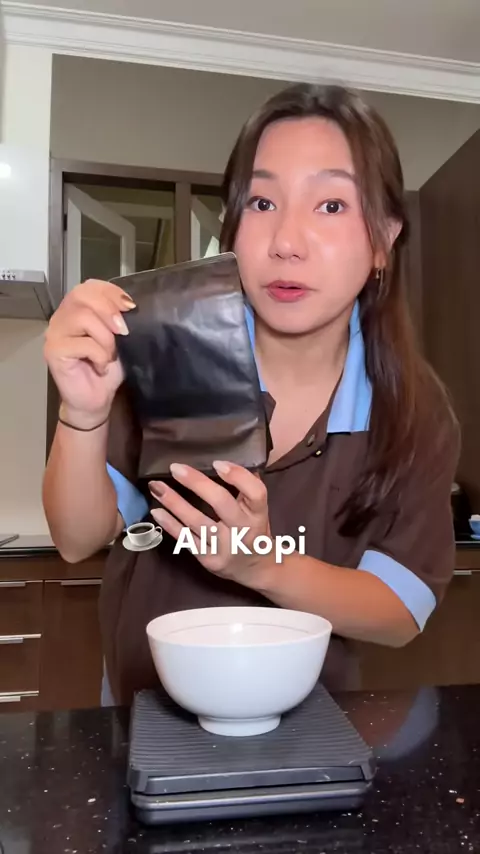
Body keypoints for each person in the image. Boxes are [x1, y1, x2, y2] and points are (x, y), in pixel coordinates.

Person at [42, 83, 460, 705]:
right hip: (145, 716)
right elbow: (77, 540)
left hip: (306, 722)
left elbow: (401, 610)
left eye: (331, 205)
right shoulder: (171, 348)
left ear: (383, 240)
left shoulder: (414, 409)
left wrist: (261, 564)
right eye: (262, 202)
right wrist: (82, 412)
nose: (286, 241)